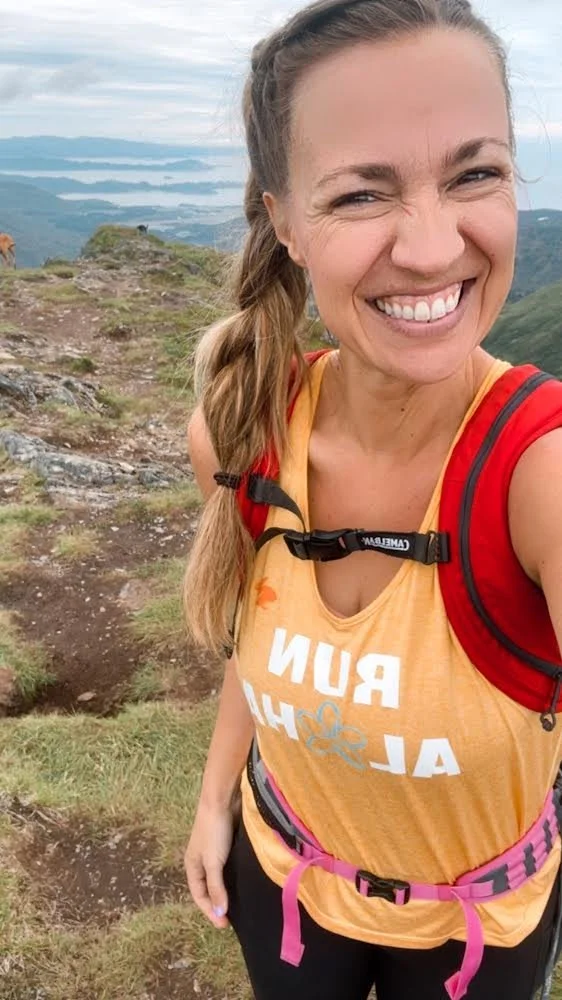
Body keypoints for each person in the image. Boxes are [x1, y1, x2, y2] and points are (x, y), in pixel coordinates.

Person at [183, 1, 562, 997]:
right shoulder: (243, 430)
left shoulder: (541, 474)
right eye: (361, 194)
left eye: (474, 172)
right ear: (284, 222)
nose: (435, 249)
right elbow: (251, 636)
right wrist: (214, 799)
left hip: (474, 932)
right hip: (284, 873)